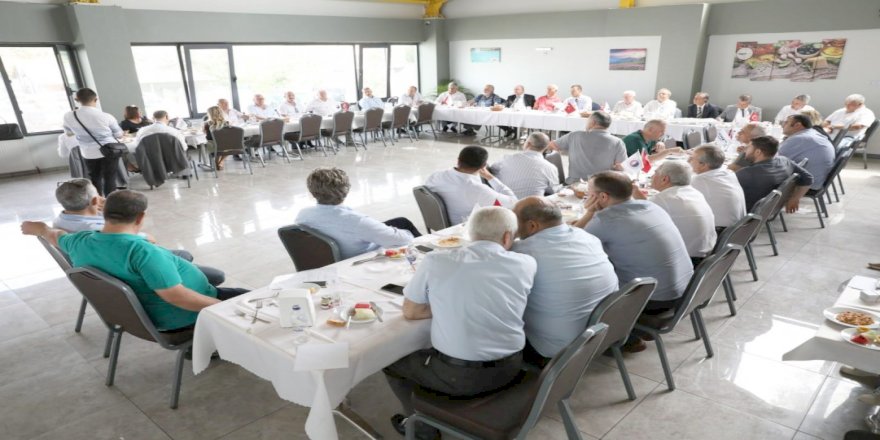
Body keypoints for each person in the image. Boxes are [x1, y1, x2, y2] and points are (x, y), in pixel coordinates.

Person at [383, 206, 536, 439]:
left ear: (470, 234)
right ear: (507, 237)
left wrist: (447, 304)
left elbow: (411, 312)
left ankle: (422, 429)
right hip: (513, 366)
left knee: (391, 360)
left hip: (461, 378)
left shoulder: (436, 260)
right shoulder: (526, 263)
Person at [20, 190, 248, 331]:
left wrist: (38, 228)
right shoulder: (143, 252)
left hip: (136, 315)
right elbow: (177, 297)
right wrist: (226, 310)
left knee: (220, 281)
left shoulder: (79, 241)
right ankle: (205, 339)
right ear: (141, 217)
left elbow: (53, 235)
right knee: (249, 298)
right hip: (178, 317)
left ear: (103, 213)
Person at [572, 171, 693, 351]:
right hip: (686, 290)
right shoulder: (651, 206)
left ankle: (621, 337)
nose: (587, 196)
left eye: (589, 193)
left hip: (653, 299)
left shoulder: (606, 219)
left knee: (585, 281)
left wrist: (589, 213)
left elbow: (573, 244)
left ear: (602, 197)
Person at [51, 178, 226, 286]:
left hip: (103, 271)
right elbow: (149, 240)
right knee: (214, 274)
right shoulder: (93, 230)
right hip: (128, 270)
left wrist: (102, 209)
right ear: (96, 200)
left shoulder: (60, 221)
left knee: (184, 255)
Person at [512, 197, 618, 363]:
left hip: (559, 348)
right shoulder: (587, 237)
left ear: (532, 226)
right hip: (604, 333)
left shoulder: (523, 253)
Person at [295, 167, 419, 259]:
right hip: (360, 260)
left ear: (312, 192)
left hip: (333, 256)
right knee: (406, 230)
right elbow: (404, 240)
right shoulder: (357, 221)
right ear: (347, 190)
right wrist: (401, 233)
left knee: (401, 222)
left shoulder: (303, 215)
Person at [633, 161, 717, 263]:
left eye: (655, 173)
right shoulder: (695, 193)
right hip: (706, 256)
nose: (652, 176)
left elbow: (637, 222)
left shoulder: (662, 199)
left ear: (665, 179)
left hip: (684, 260)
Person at [424, 145, 518, 224]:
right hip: (465, 229)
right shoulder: (478, 190)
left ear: (458, 161)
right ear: (483, 166)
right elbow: (514, 203)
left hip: (441, 223)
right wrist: (490, 177)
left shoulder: (435, 176)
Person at [62, 88, 125, 196]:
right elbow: (119, 134)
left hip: (87, 152)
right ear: (96, 99)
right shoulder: (106, 116)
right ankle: (110, 200)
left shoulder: (68, 116)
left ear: (77, 100)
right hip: (108, 150)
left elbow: (68, 133)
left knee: (94, 178)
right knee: (109, 177)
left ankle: (97, 200)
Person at [735, 136, 813, 213]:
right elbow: (809, 178)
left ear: (758, 152)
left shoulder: (746, 173)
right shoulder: (785, 161)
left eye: (748, 148)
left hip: (743, 212)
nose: (745, 150)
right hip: (766, 211)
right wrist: (795, 198)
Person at [548, 111, 626, 183]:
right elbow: (621, 167)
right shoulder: (618, 142)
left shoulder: (575, 135)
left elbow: (551, 145)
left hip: (574, 184)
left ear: (593, 122)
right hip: (602, 186)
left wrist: (561, 151)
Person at [688, 145, 747, 230]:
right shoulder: (728, 172)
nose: (689, 161)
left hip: (721, 231)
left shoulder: (700, 180)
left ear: (703, 165)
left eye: (692, 158)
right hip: (737, 229)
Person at [489, 132, 559, 198]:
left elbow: (491, 172)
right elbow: (554, 190)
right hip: (532, 205)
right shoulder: (550, 168)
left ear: (528, 144)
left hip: (503, 203)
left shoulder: (506, 158)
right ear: (546, 147)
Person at [778, 114, 835, 190]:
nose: (782, 125)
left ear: (797, 125)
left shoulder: (799, 138)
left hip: (804, 186)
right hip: (815, 181)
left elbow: (774, 160)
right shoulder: (811, 133)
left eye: (786, 122)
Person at [203, 106, 230, 170]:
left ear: (210, 114)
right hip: (227, 146)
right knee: (227, 146)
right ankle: (221, 161)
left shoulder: (207, 124)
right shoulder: (226, 123)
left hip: (212, 146)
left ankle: (217, 161)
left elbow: (205, 134)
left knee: (217, 146)